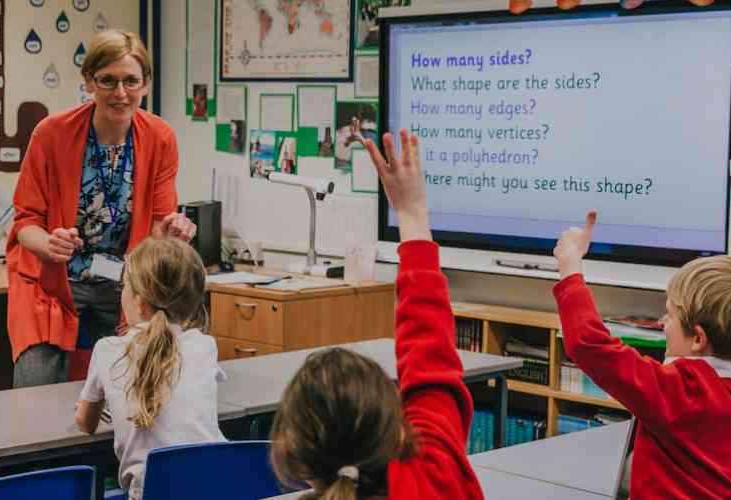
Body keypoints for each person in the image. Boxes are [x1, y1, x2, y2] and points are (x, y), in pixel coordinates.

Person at [269, 130, 483, 500]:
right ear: (394, 426)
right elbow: (430, 358)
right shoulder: (439, 477)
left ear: (294, 452)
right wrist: (412, 214)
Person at [9, 30, 197, 388]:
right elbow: (25, 223)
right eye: (107, 80)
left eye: (131, 81)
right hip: (54, 281)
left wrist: (171, 233)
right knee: (35, 387)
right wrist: (49, 243)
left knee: (130, 387)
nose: (120, 93)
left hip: (125, 284)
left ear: (146, 84)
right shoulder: (51, 134)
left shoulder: (160, 138)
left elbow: (158, 225)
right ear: (89, 82)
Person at [552, 211, 731, 499]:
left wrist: (570, 267)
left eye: (671, 315)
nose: (663, 322)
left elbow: (589, 344)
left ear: (698, 338)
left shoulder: (681, 391)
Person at [75, 238, 224, 499]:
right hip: (216, 488)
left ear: (140, 302)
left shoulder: (107, 349)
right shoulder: (204, 346)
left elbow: (86, 424)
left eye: (124, 286)